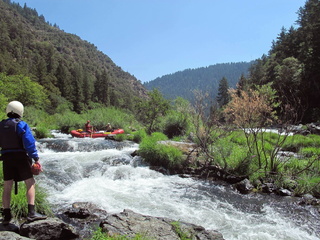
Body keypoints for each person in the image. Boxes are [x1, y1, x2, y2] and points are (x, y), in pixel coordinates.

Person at [0, 101, 47, 225]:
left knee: (7, 186)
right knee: (30, 182)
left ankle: (6, 215)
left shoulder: (1, 125)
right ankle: (31, 213)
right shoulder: (21, 125)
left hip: (6, 158)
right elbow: (29, 143)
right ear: (20, 111)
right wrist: (36, 158)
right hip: (21, 157)